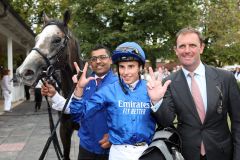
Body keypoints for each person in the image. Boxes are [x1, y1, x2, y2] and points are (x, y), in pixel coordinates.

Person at [147, 27, 240, 160]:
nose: (187, 50)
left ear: (201, 48)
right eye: (182, 46)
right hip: (186, 154)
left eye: (192, 45)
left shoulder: (225, 78)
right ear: (176, 50)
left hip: (222, 153)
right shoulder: (169, 82)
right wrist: (157, 101)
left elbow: (237, 122)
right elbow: (166, 121)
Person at [70, 42, 156, 160]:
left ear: (140, 67)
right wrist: (79, 88)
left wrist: (157, 101)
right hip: (116, 153)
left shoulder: (151, 89)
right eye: (122, 67)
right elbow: (77, 114)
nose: (125, 72)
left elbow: (165, 121)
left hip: (145, 152)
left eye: (131, 66)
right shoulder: (109, 90)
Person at [41, 44, 117, 160]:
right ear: (90, 63)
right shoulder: (84, 82)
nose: (98, 61)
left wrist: (115, 135)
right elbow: (72, 107)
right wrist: (54, 94)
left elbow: (130, 115)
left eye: (103, 57)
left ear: (110, 60)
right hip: (86, 147)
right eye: (94, 59)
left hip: (112, 149)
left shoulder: (121, 84)